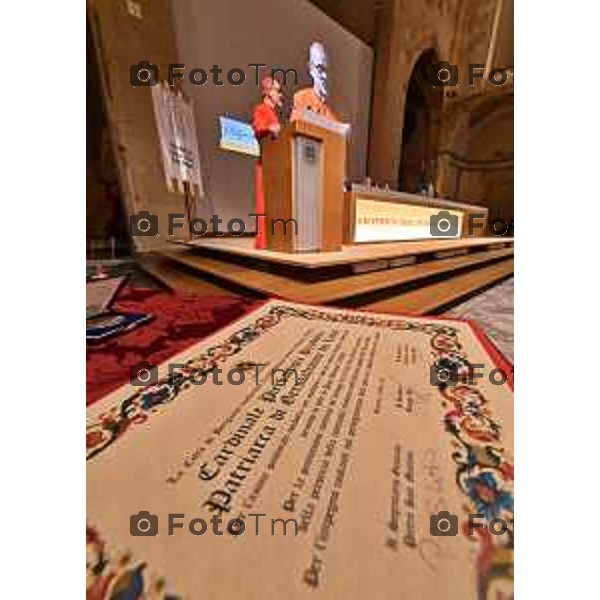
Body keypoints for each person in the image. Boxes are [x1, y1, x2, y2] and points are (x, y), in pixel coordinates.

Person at [251, 76, 283, 249]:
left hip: (276, 164)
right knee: (264, 202)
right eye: (277, 91)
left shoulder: (273, 113)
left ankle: (274, 238)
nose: (280, 95)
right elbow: (257, 127)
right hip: (264, 164)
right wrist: (270, 128)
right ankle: (263, 241)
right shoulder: (261, 109)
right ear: (267, 92)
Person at [291, 41, 339, 123]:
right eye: (320, 69)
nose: (325, 76)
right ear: (311, 68)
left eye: (328, 71)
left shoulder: (335, 116)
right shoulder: (301, 99)